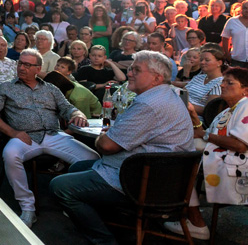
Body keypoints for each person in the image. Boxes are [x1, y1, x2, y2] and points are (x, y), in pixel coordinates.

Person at [50, 50, 194, 244]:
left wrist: (102, 138)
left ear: (156, 78)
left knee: (59, 186)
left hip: (142, 182)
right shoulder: (168, 94)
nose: (129, 74)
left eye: (136, 70)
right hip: (162, 178)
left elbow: (107, 146)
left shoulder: (148, 104)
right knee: (77, 167)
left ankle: (105, 240)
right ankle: (110, 221)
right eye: (131, 69)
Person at [0, 49, 98, 227]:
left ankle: (74, 201)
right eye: (20, 63)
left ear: (38, 68)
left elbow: (67, 108)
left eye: (27, 65)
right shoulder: (6, 88)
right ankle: (27, 207)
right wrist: (12, 133)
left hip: (54, 134)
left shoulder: (51, 89)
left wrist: (78, 114)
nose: (22, 67)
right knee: (10, 154)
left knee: (93, 159)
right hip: (24, 137)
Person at [164, 67, 248, 239]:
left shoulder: (246, 106)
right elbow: (204, 134)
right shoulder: (227, 111)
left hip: (238, 163)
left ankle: (196, 222)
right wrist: (194, 116)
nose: (222, 85)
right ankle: (180, 210)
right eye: (223, 81)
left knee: (180, 163)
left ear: (245, 90)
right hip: (221, 156)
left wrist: (205, 135)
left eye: (229, 83)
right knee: (175, 153)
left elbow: (240, 145)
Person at [185, 47, 225, 118]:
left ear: (219, 63)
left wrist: (185, 104)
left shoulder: (219, 83)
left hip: (195, 118)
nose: (202, 62)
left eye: (207, 60)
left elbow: (208, 110)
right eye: (201, 60)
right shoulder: (199, 77)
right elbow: (183, 92)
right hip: (182, 110)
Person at [221, 0, 248, 68]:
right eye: (245, 8)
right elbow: (225, 38)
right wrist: (227, 54)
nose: (247, 10)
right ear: (241, 9)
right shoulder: (232, 21)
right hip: (237, 59)